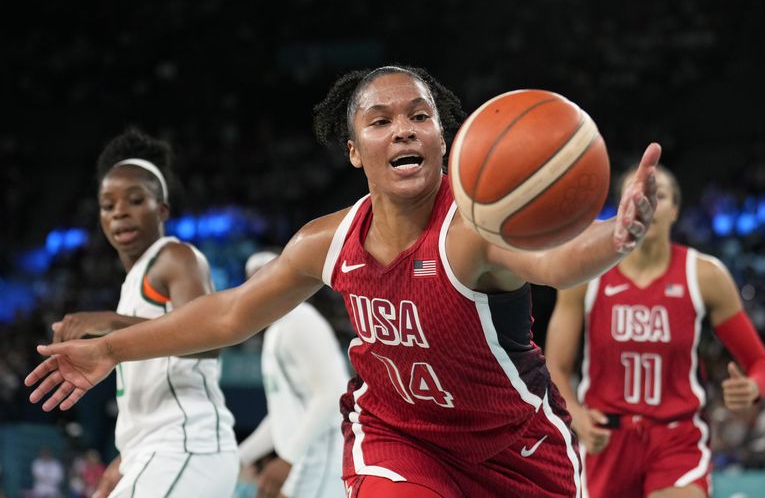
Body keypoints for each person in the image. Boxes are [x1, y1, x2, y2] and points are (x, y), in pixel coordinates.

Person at [27, 65, 660, 498]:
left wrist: (617, 235)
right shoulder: (325, 240)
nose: (403, 128)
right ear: (355, 149)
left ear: (444, 139)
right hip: (400, 438)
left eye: (420, 116)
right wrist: (109, 349)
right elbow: (227, 316)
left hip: (516, 450)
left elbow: (553, 262)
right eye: (380, 121)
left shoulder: (468, 230)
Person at [544, 164, 765, 498]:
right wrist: (577, 417)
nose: (649, 204)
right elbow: (556, 368)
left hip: (676, 438)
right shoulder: (588, 273)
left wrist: (752, 386)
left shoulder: (705, 275)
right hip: (606, 441)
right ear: (622, 210)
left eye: (660, 195)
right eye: (637, 196)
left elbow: (760, 363)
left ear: (676, 210)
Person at [47, 129, 239, 497]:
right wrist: (125, 459)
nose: (119, 211)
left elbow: (209, 339)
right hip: (152, 453)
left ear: (162, 210)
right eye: (108, 204)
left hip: (185, 446)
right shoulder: (132, 284)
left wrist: (111, 326)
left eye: (135, 200)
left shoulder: (174, 256)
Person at [238, 250, 349, 498]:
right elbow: (281, 416)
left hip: (322, 454)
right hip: (303, 458)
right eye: (251, 280)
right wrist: (241, 456)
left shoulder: (300, 319)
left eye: (265, 277)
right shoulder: (276, 329)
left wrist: (288, 458)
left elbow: (333, 393)